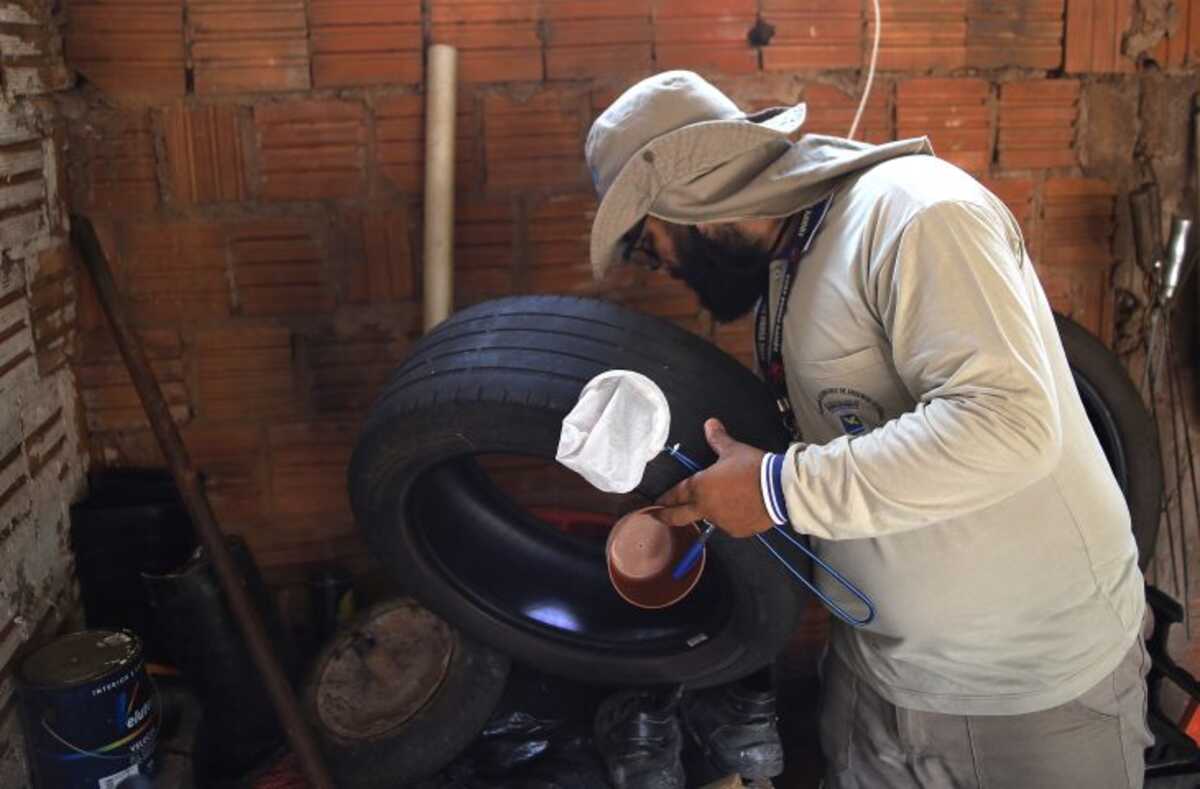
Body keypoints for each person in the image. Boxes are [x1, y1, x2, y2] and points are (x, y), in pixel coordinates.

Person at [586, 70, 1151, 788]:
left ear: (682, 197)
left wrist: (776, 487)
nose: (657, 267)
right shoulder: (787, 269)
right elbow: (860, 446)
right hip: (876, 680)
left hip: (1033, 695)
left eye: (645, 243)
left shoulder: (914, 214)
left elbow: (1008, 424)